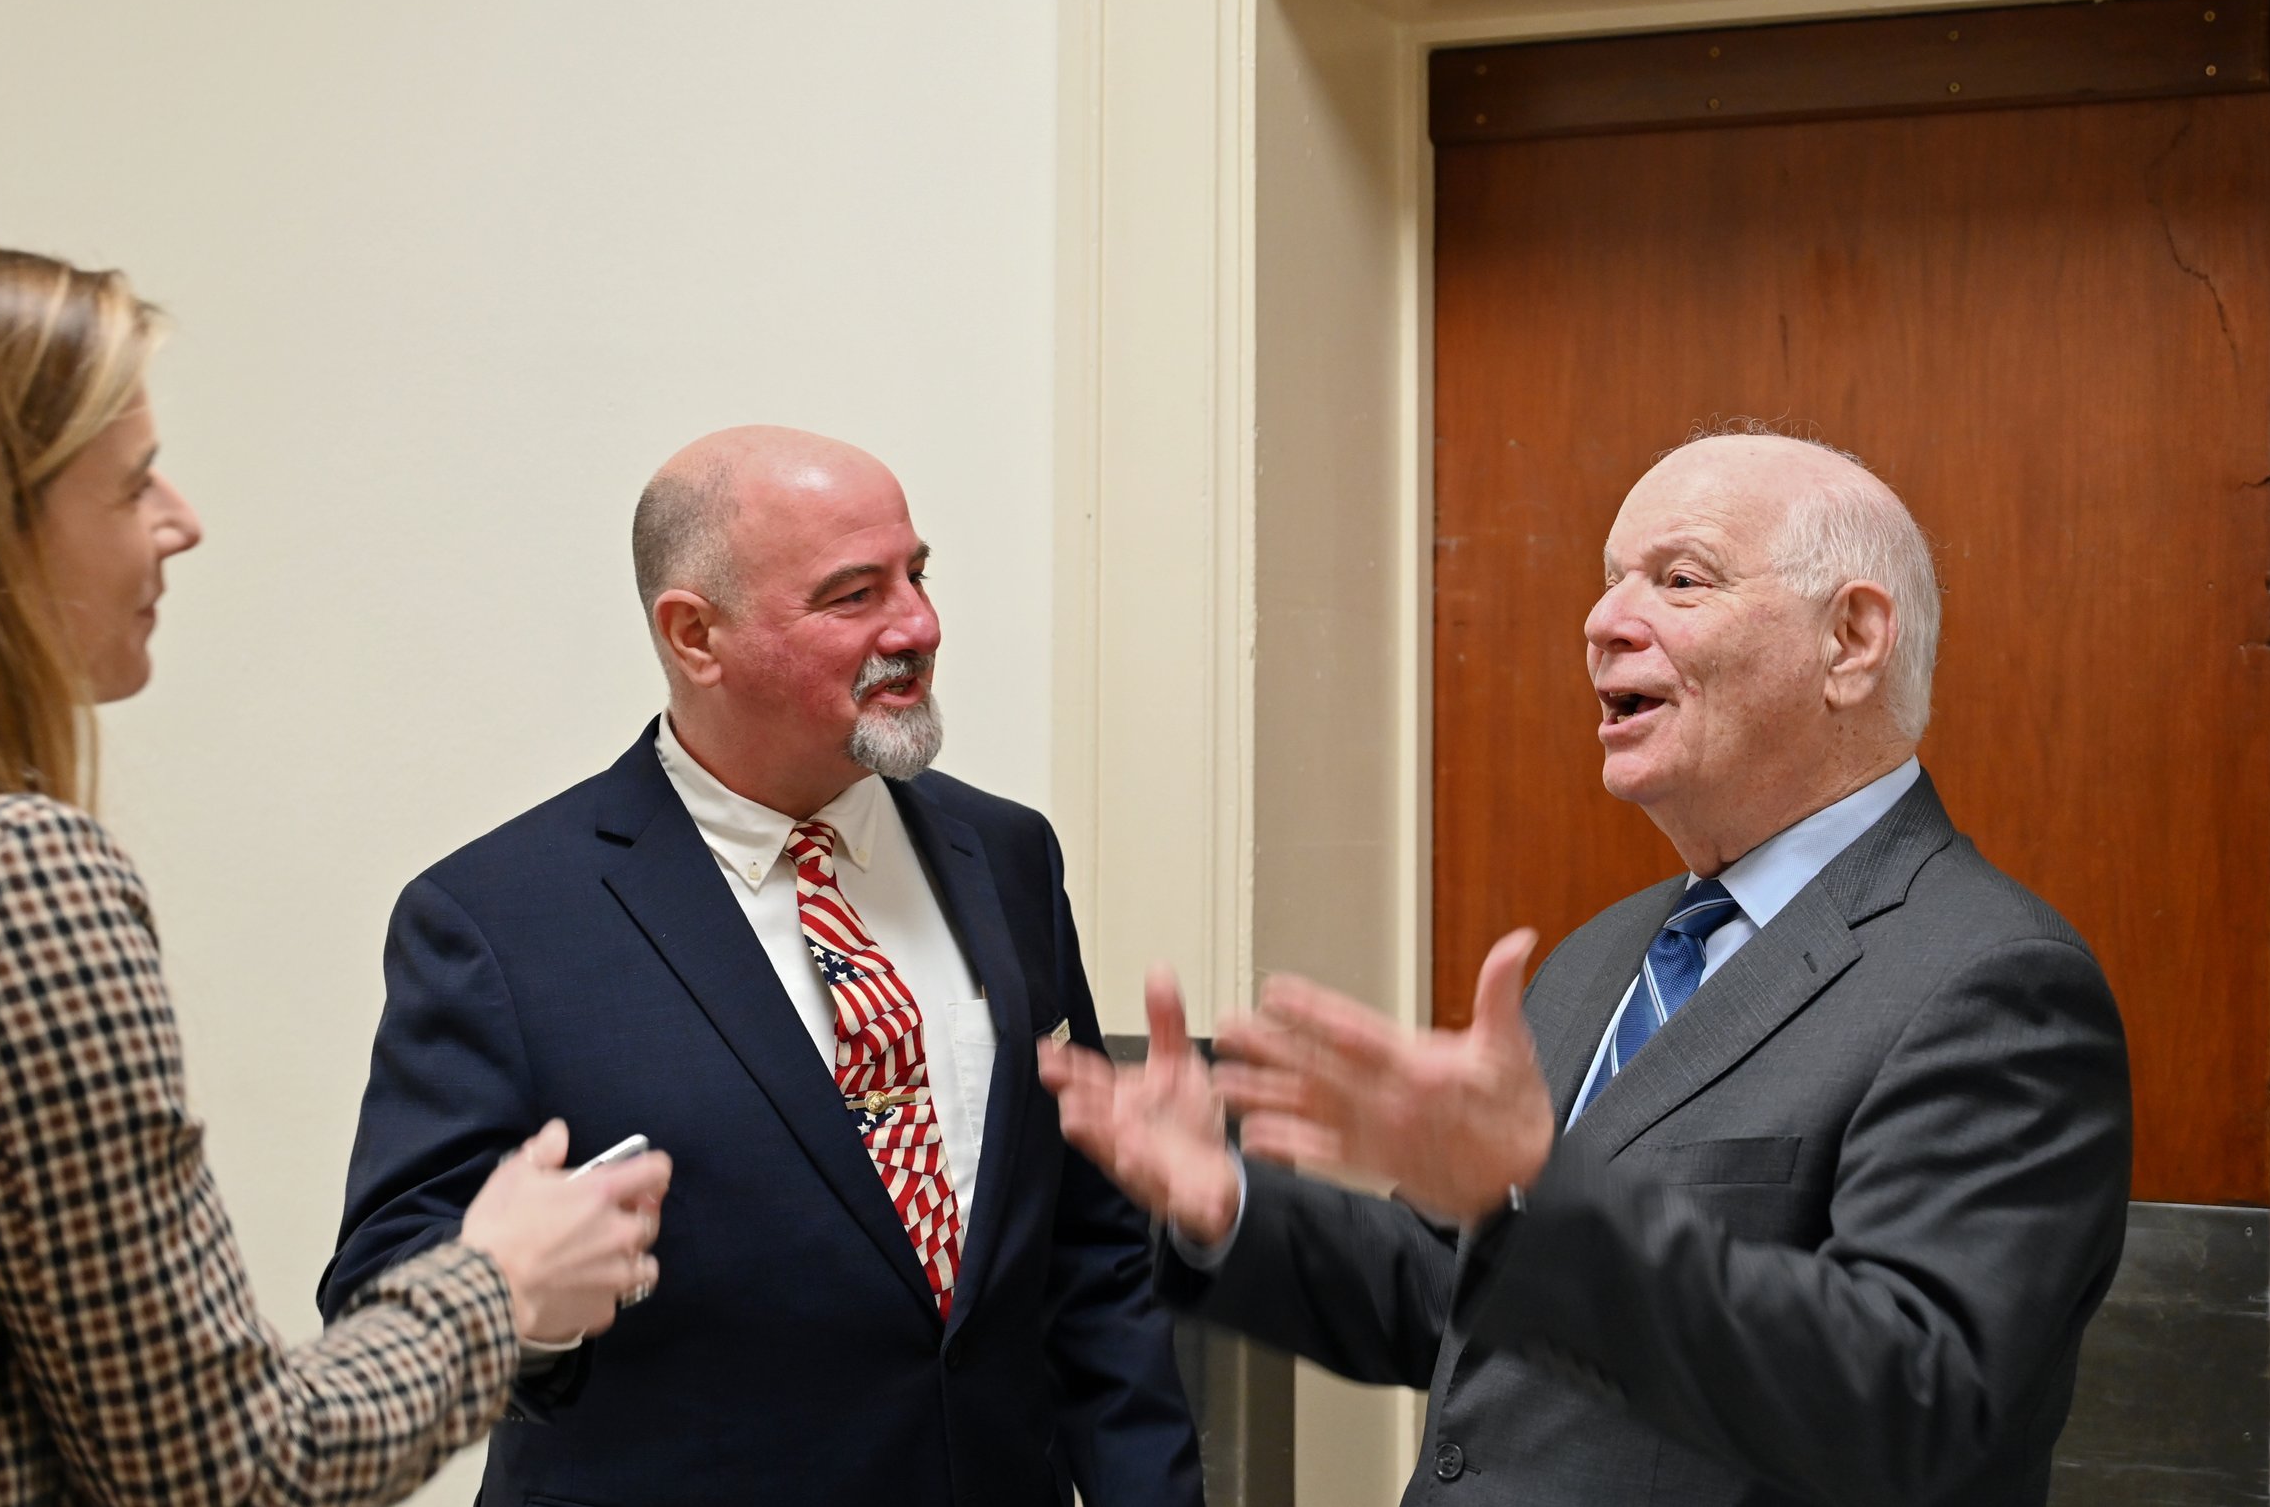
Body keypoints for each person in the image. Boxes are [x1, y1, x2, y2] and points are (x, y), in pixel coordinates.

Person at [1043, 430, 2134, 1506]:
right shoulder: (1607, 952)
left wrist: (1540, 1195)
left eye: (1680, 580)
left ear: (1850, 638)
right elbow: (1450, 1289)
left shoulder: (1995, 985)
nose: (1604, 621)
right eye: (1610, 582)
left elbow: (1912, 1406)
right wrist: (1225, 1202)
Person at [321, 427, 1203, 1507]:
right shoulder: (498, 921)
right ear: (696, 635)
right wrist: (533, 1306)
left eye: (916, 575)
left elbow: (1087, 1254)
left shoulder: (1007, 857)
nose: (917, 625)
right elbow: (387, 1286)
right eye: (852, 595)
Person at [0, 240, 673, 1507]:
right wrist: (499, 1284)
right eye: (132, 483)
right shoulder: (7, 881)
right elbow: (220, 1474)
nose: (183, 521)